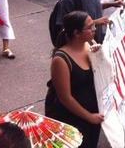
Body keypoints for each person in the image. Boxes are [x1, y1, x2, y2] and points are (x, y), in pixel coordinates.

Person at [45, 11, 103, 148]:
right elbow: (65, 98)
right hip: (72, 120)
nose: (94, 29)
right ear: (77, 33)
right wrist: (90, 117)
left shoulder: (90, 45)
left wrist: (100, 56)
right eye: (90, 27)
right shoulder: (61, 60)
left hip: (92, 115)